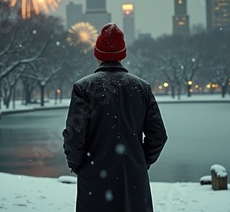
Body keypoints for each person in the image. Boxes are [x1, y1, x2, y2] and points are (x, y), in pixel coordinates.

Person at [62, 23, 168, 212]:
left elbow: (73, 136)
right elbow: (158, 136)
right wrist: (141, 161)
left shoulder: (84, 88)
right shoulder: (141, 88)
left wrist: (79, 165)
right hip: (133, 177)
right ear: (123, 54)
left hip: (95, 176)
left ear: (97, 54)